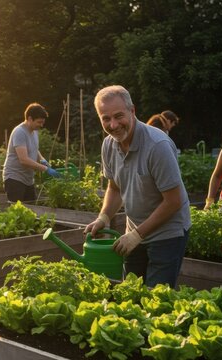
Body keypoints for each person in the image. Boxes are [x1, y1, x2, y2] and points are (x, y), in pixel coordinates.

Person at [84, 85, 191, 288]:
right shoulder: (109, 144)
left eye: (118, 116)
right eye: (105, 119)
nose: (113, 125)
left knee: (156, 297)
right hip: (134, 231)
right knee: (131, 293)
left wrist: (137, 235)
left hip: (167, 233)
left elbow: (173, 201)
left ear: (132, 111)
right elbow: (115, 187)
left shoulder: (157, 146)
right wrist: (104, 217)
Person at [3, 103, 60, 202]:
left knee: (32, 210)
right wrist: (45, 169)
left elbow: (34, 149)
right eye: (39, 122)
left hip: (28, 179)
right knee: (17, 212)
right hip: (15, 178)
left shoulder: (34, 131)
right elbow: (23, 160)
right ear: (29, 119)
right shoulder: (19, 132)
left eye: (42, 122)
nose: (41, 125)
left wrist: (43, 160)